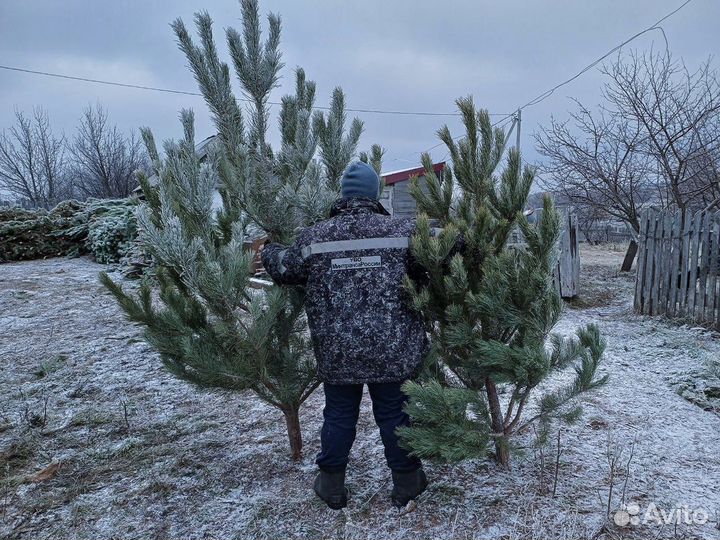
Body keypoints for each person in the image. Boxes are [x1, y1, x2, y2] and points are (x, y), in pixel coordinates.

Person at [261, 161, 429, 509]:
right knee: (395, 414)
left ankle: (332, 486)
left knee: (339, 415)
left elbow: (283, 269)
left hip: (337, 351)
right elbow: (434, 262)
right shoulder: (404, 230)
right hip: (393, 348)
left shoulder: (314, 236)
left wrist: (269, 249)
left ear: (343, 195)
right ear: (374, 194)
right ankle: (407, 484)